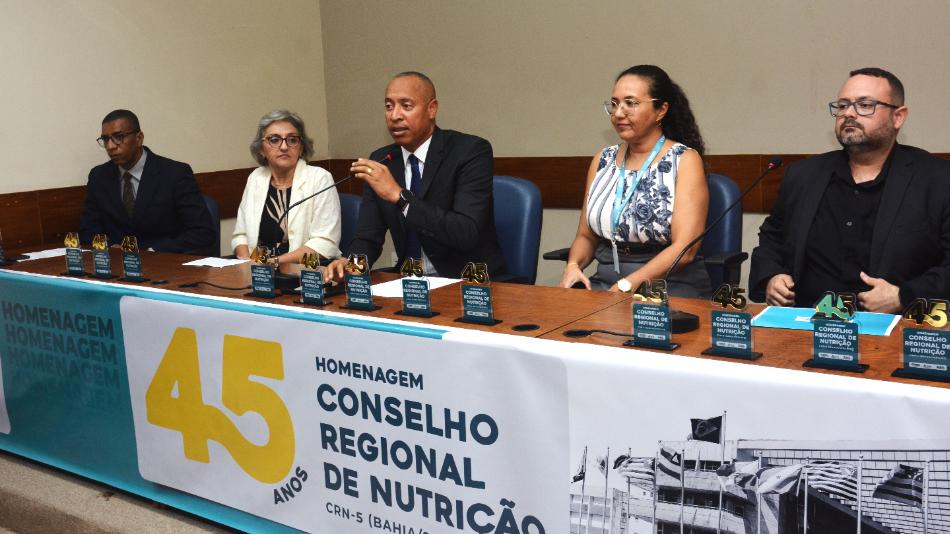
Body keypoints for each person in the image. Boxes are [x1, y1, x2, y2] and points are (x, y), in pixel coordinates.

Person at [750, 68, 950, 313]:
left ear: (898, 117)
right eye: (843, 105)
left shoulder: (938, 180)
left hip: (894, 326)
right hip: (805, 319)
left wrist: (904, 296)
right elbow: (772, 237)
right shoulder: (803, 175)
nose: (849, 114)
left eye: (865, 105)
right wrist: (772, 276)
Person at [326, 71, 505, 280]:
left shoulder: (469, 151)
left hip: (469, 282)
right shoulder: (382, 161)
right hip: (409, 282)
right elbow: (368, 238)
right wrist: (350, 266)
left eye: (406, 106)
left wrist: (400, 197)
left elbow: (466, 232)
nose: (395, 115)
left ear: (431, 109)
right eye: (389, 106)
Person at [558, 65, 711, 296]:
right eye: (615, 103)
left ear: (661, 110)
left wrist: (627, 284)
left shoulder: (684, 160)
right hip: (607, 282)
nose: (618, 113)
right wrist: (572, 266)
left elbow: (685, 249)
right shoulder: (603, 159)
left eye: (630, 103)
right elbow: (586, 236)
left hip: (667, 284)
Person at [79, 109, 216, 255]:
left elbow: (202, 232)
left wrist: (151, 251)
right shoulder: (99, 176)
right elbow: (88, 230)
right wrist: (111, 248)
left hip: (163, 261)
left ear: (139, 138)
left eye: (119, 137)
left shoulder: (175, 174)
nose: (110, 146)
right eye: (106, 139)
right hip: (116, 263)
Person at [231, 110, 341, 263]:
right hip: (258, 270)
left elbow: (325, 243)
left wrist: (275, 263)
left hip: (303, 271)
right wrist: (247, 263)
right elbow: (241, 235)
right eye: (274, 140)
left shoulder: (320, 178)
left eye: (292, 140)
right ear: (261, 149)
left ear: (301, 147)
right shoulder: (256, 178)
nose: (284, 146)